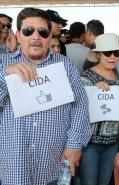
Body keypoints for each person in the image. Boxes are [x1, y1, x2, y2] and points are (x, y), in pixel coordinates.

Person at [0, 7, 92, 185]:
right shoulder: (3, 64)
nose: (36, 37)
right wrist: (5, 75)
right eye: (29, 31)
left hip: (53, 165)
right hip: (15, 166)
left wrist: (74, 144)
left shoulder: (65, 65)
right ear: (18, 35)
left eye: (43, 32)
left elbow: (80, 104)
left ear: (50, 36)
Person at [79, 33, 119, 185]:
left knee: (105, 182)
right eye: (108, 53)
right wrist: (93, 91)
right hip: (90, 143)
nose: (112, 57)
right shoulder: (86, 77)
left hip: (112, 142)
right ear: (98, 54)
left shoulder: (117, 75)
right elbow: (78, 111)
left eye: (117, 52)